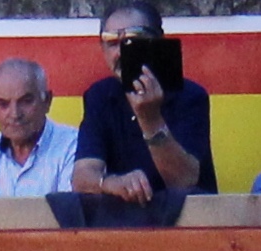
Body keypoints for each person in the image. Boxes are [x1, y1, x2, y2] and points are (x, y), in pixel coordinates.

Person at [73, 0, 215, 202]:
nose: (121, 52)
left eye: (133, 40)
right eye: (112, 43)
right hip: (125, 224)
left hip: (186, 222)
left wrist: (150, 119)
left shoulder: (190, 96)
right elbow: (82, 177)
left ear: (158, 41)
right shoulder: (100, 96)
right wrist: (111, 183)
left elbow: (184, 180)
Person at [0, 59, 78, 197]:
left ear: (47, 101)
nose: (15, 114)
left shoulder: (73, 146)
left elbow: (68, 215)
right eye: (3, 104)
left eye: (26, 102)